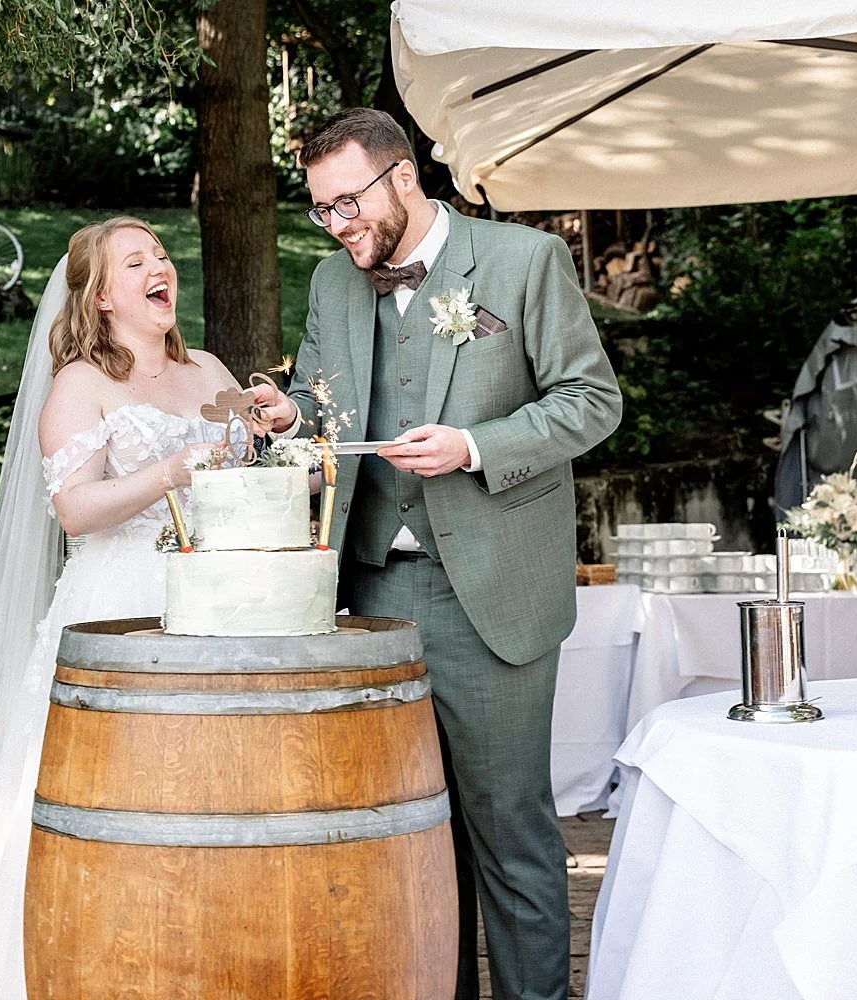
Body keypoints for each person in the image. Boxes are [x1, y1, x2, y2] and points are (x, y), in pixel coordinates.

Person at [252, 108, 622, 1000]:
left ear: (403, 177)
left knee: (510, 833)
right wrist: (291, 413)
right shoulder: (332, 283)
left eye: (349, 204)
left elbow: (591, 401)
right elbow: (320, 395)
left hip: (490, 598)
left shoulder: (523, 262)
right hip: (367, 597)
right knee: (414, 838)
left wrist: (475, 445)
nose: (339, 227)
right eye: (322, 211)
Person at [0, 217, 243, 999]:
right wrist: (171, 473)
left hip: (213, 605)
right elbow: (76, 510)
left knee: (206, 793)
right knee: (107, 794)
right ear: (104, 296)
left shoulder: (210, 368)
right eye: (136, 262)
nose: (161, 270)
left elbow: (247, 480)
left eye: (163, 257)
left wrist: (273, 430)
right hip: (116, 609)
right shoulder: (81, 384)